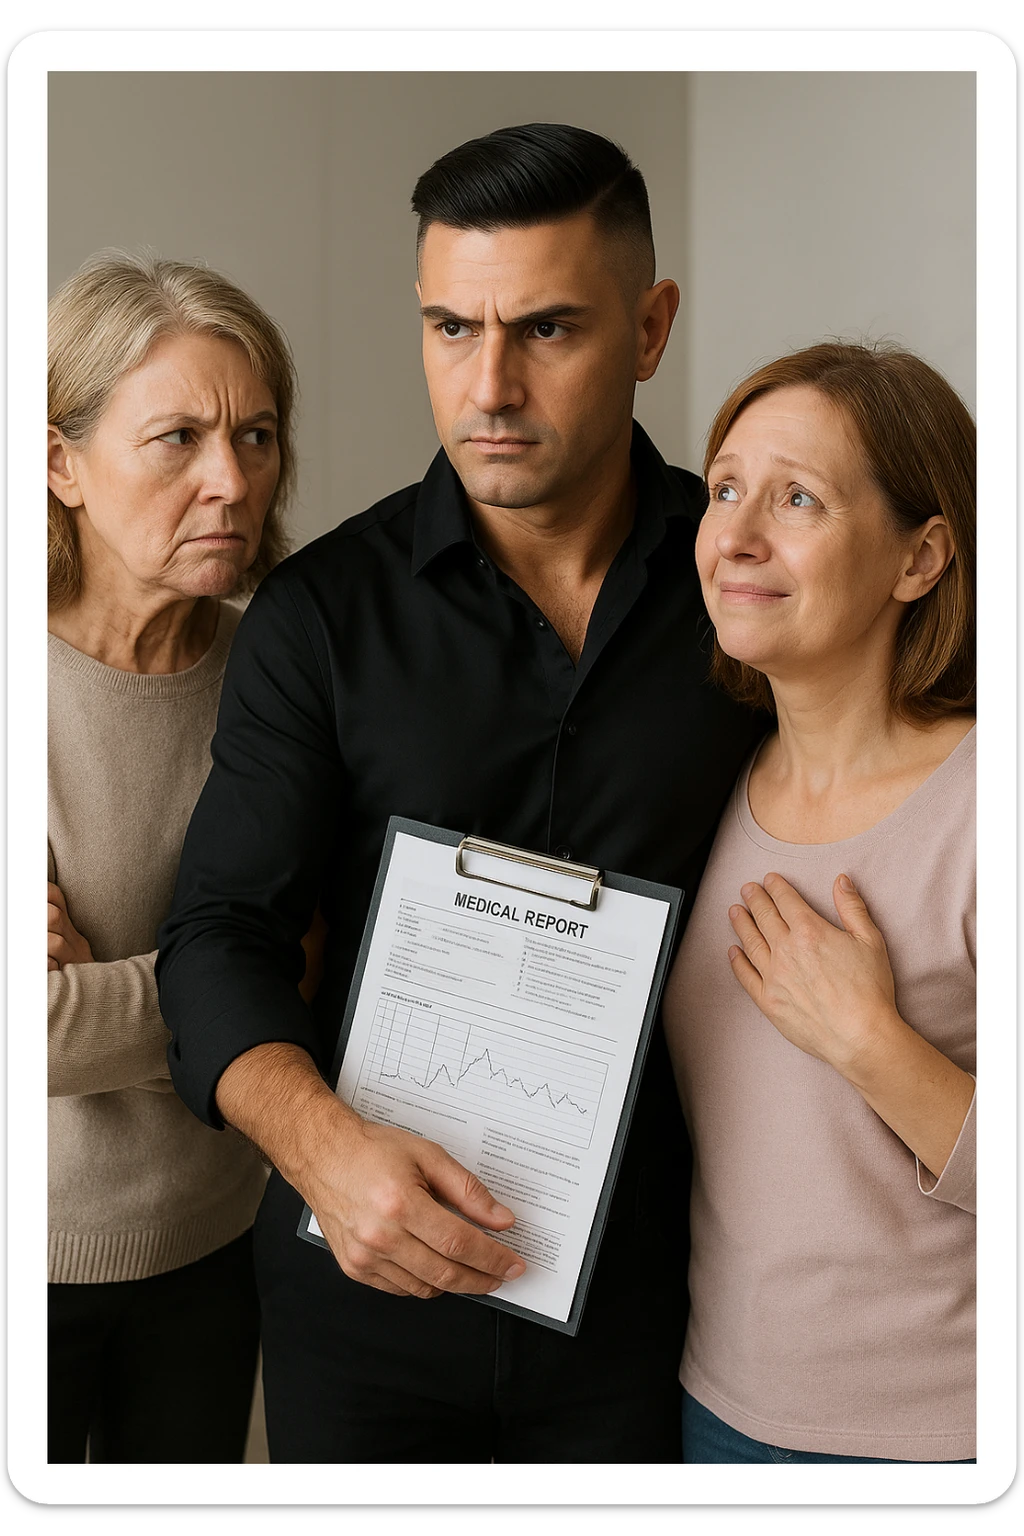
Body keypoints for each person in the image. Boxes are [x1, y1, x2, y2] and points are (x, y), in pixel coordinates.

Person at [156, 122, 763, 1465]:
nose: (487, 385)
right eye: (449, 328)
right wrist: (320, 1147)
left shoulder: (753, 599)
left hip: (661, 1310)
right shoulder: (318, 618)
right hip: (360, 1303)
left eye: (546, 330)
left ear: (652, 326)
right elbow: (218, 942)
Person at [663, 341, 976, 1464]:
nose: (738, 536)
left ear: (920, 557)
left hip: (938, 1436)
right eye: (726, 490)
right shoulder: (705, 792)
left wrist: (867, 1041)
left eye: (797, 498)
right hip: (719, 1407)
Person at [46, 249, 299, 1463]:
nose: (231, 481)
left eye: (256, 437)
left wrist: (109, 990)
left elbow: (314, 972)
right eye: (179, 439)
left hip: (213, 1246)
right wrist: (222, 990)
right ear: (61, 466)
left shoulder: (279, 679)